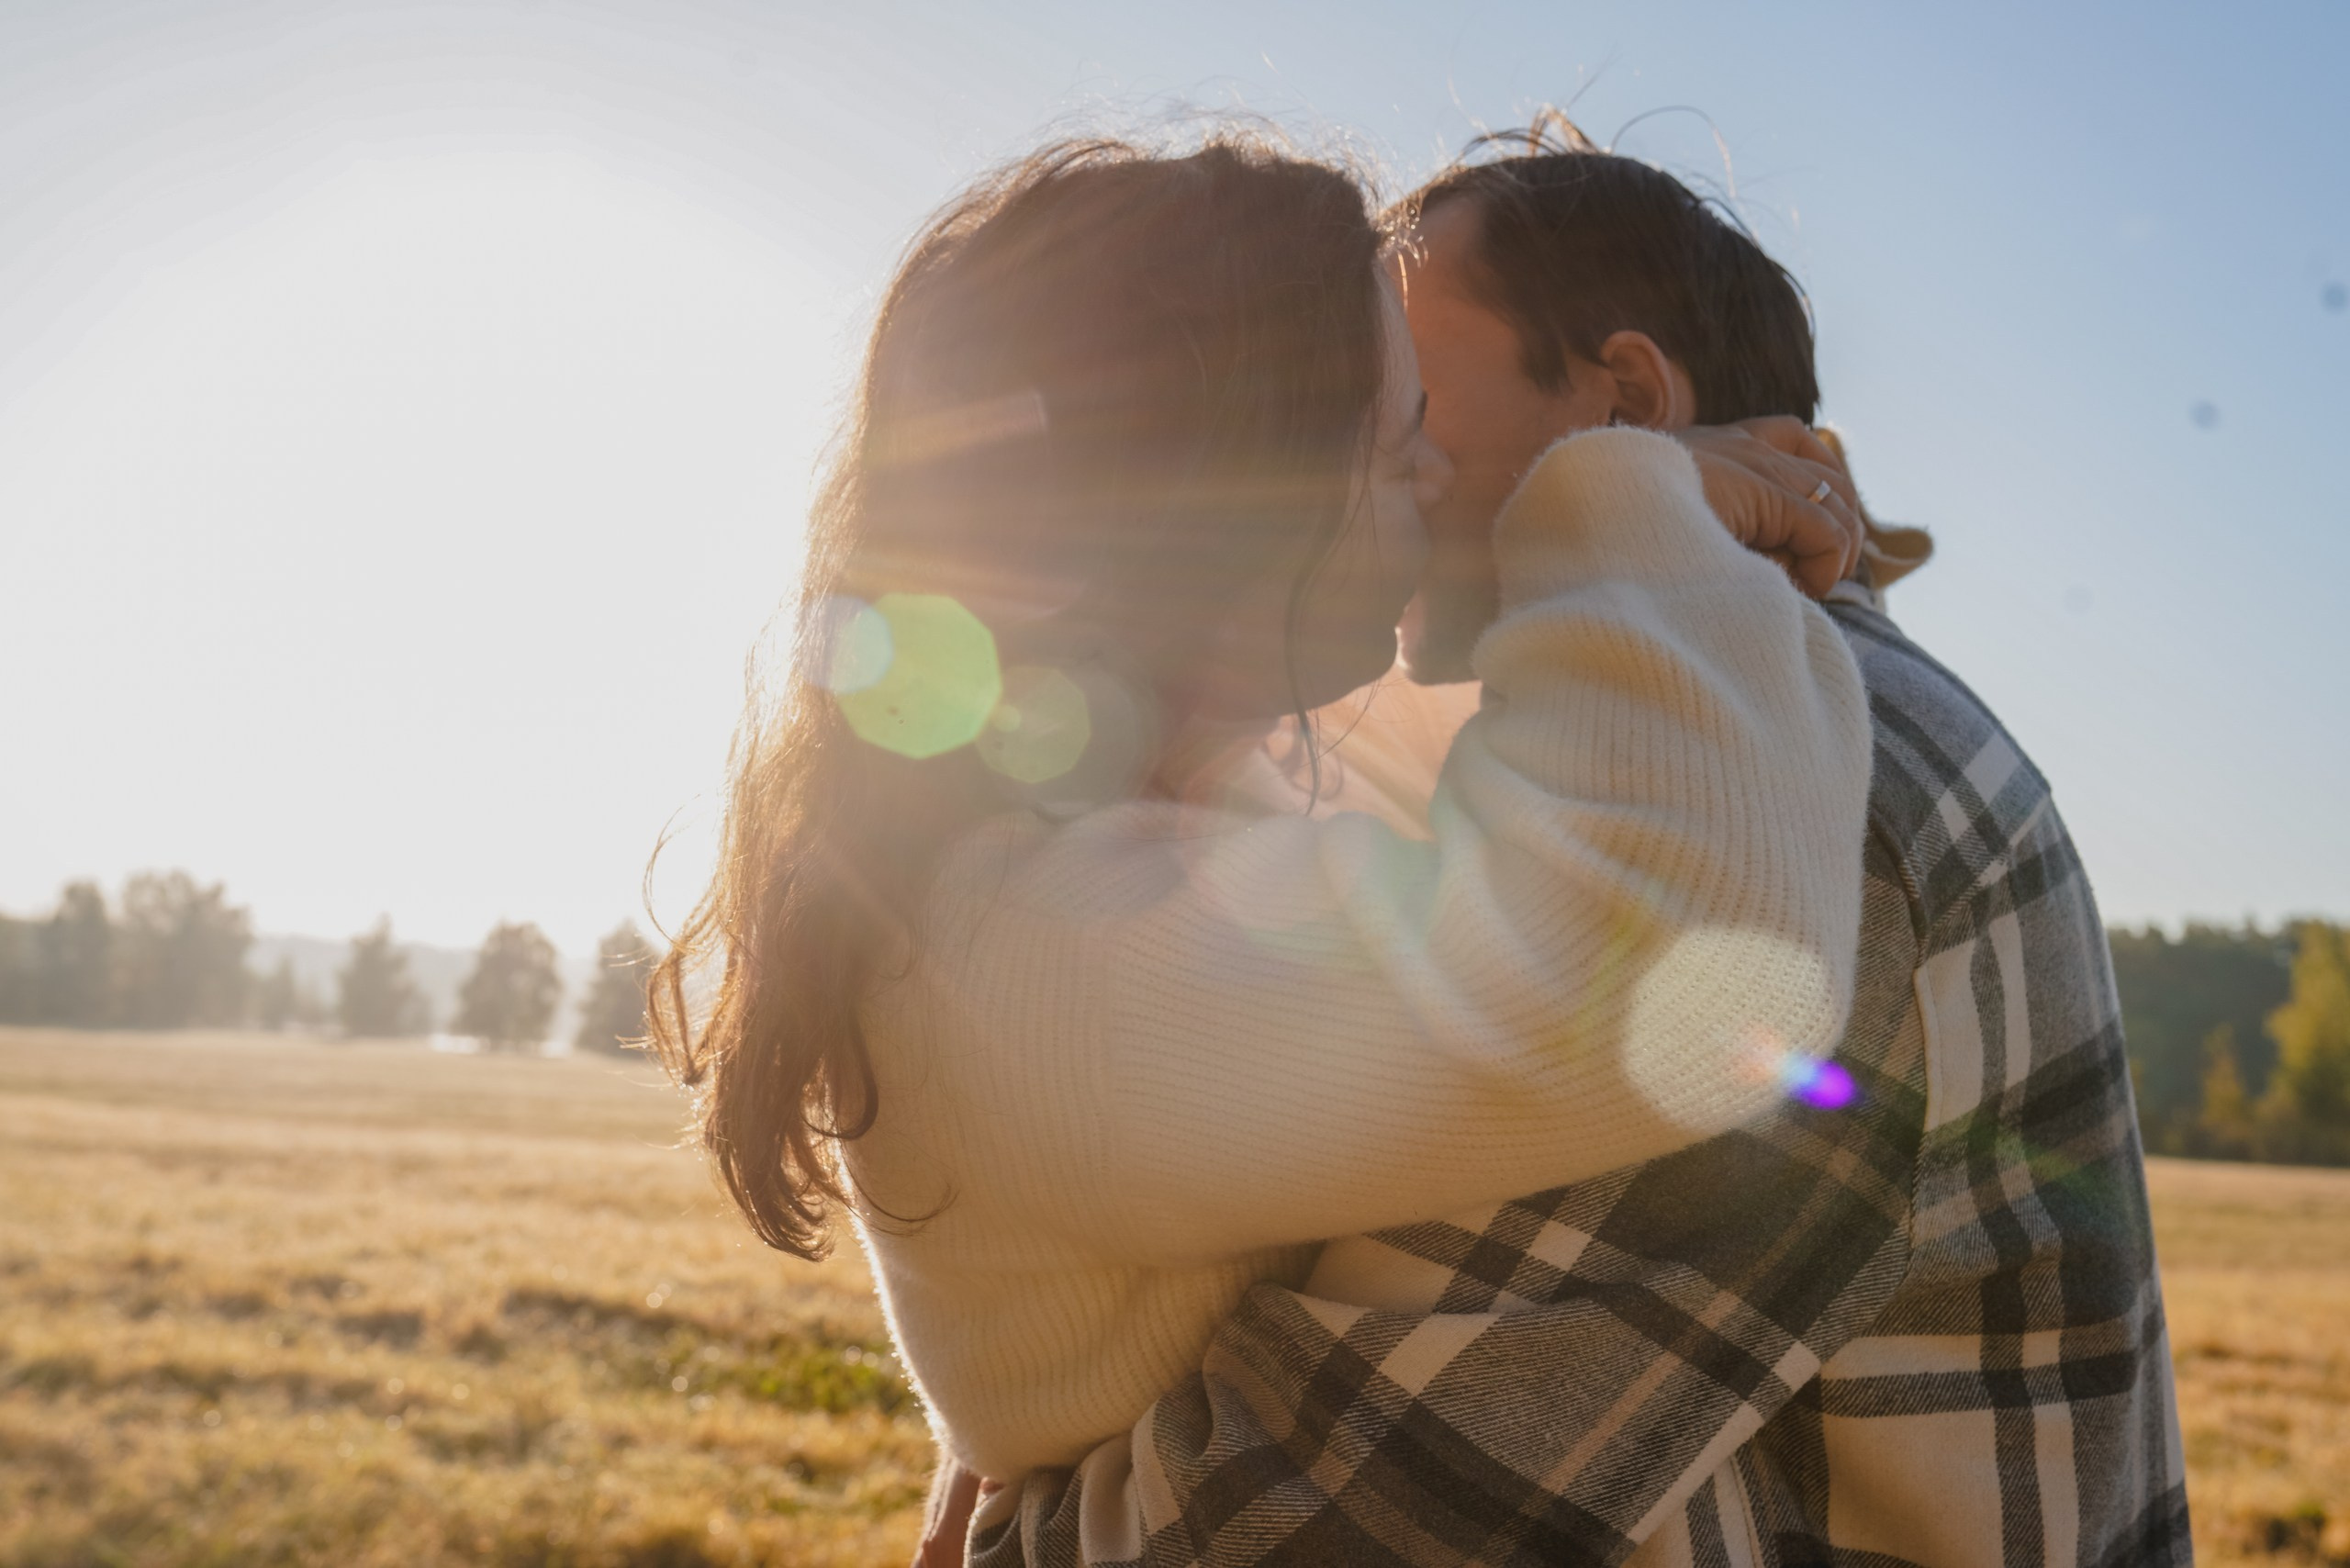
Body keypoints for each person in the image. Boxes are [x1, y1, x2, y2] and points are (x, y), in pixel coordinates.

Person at [950, 118, 2189, 1568]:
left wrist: (1025, 1511)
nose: (1380, 435)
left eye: (1411, 387)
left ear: (1626, 411)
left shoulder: (1777, 808)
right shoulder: (1716, 731)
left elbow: (1315, 1519)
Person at [645, 129, 1875, 1511]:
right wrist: (1634, 490)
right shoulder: (1058, 948)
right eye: (1403, 433)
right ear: (1236, 490)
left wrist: (1656, 490)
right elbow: (1690, 950)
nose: (1440, 477)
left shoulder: (1083, 813)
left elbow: (1496, 761)